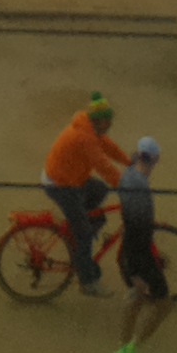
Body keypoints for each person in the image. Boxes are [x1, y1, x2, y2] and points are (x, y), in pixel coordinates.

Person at [41, 92, 129, 296]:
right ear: (99, 120)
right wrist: (126, 185)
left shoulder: (91, 129)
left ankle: (79, 227)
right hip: (61, 184)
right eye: (108, 120)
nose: (110, 124)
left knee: (100, 189)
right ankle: (88, 283)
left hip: (72, 178)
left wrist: (129, 163)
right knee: (84, 234)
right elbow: (103, 165)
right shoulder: (85, 137)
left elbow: (108, 147)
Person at [108, 136, 176, 353]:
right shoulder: (140, 186)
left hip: (130, 252)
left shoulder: (128, 175)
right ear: (155, 159)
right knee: (163, 303)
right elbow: (138, 229)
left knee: (135, 298)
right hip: (139, 254)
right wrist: (138, 269)